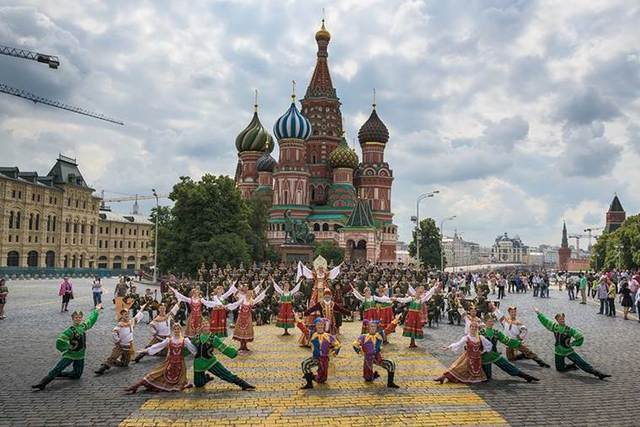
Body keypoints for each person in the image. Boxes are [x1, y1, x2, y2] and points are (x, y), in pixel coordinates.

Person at [32, 305, 101, 390]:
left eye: (80, 317)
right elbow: (60, 341)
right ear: (73, 318)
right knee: (58, 368)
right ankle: (43, 383)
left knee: (77, 375)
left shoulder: (83, 327)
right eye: (76, 317)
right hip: (70, 354)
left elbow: (90, 320)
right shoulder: (69, 331)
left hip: (80, 355)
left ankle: (60, 374)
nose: (78, 319)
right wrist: (67, 347)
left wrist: (96, 310)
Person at [534, 308, 610, 380]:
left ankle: (598, 374)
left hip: (568, 351)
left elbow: (580, 336)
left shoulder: (569, 329)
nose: (562, 320)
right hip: (558, 352)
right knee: (559, 369)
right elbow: (546, 321)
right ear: (557, 320)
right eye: (560, 319)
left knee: (582, 363)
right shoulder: (555, 327)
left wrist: (573, 343)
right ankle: (571, 366)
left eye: (563, 318)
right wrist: (538, 313)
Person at [125, 324, 196, 393]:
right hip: (169, 362)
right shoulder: (169, 340)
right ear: (173, 330)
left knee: (179, 381)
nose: (176, 331)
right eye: (175, 329)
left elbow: (192, 348)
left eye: (178, 329)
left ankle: (137, 386)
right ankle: (136, 386)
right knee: (155, 373)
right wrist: (147, 350)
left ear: (180, 330)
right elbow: (159, 346)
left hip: (180, 364)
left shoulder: (185, 340)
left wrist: (200, 354)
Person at [479, 314, 539, 383]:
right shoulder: (481, 332)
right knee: (487, 377)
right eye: (489, 321)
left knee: (508, 366)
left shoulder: (496, 332)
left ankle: (526, 377)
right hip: (484, 357)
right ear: (485, 321)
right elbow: (474, 342)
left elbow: (507, 340)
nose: (491, 323)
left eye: (492, 321)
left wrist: (519, 343)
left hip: (494, 355)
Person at [191, 330, 255, 390]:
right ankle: (206, 378)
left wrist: (235, 352)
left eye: (206, 324)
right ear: (201, 327)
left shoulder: (213, 338)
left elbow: (223, 347)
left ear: (209, 326)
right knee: (198, 384)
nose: (205, 326)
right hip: (198, 363)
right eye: (203, 324)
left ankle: (243, 384)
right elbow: (189, 345)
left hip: (210, 361)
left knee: (226, 375)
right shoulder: (196, 337)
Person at [94, 304, 147, 376]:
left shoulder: (131, 322)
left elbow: (137, 316)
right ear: (122, 315)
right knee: (113, 357)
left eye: (127, 313)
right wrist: (118, 341)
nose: (126, 315)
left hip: (128, 346)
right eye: (124, 314)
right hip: (120, 346)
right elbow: (114, 333)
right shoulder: (120, 324)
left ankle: (112, 362)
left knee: (125, 364)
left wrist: (141, 309)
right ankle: (103, 367)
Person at [352, 315, 401, 388]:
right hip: (368, 358)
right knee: (367, 378)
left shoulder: (379, 335)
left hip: (377, 357)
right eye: (371, 326)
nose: (372, 328)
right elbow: (355, 344)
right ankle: (372, 376)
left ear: (376, 328)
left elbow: (388, 329)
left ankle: (390, 383)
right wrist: (361, 352)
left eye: (374, 327)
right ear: (368, 327)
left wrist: (395, 321)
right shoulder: (363, 337)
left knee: (391, 364)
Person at [295, 315, 341, 389]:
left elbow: (338, 345)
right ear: (315, 326)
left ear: (323, 326)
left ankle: (312, 376)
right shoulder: (312, 334)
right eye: (318, 325)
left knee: (321, 379)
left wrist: (334, 352)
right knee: (305, 364)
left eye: (321, 325)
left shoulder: (328, 336)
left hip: (324, 359)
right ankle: (309, 383)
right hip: (316, 358)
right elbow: (303, 328)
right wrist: (297, 319)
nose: (320, 326)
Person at [393, 284, 440, 348]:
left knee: (414, 329)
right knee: (412, 329)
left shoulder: (421, 300)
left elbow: (429, 294)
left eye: (420, 292)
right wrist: (396, 299)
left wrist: (434, 287)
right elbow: (403, 300)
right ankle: (412, 343)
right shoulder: (411, 298)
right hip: (411, 316)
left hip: (416, 317)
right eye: (418, 292)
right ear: (416, 292)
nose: (419, 294)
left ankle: (412, 342)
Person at [226, 286, 270, 352]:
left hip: (248, 318)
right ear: (246, 294)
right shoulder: (242, 299)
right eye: (248, 293)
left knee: (246, 331)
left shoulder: (252, 301)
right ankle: (241, 345)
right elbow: (235, 304)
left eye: (250, 294)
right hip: (241, 317)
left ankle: (245, 345)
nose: (249, 295)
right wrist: (227, 306)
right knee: (241, 331)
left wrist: (265, 290)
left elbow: (259, 298)